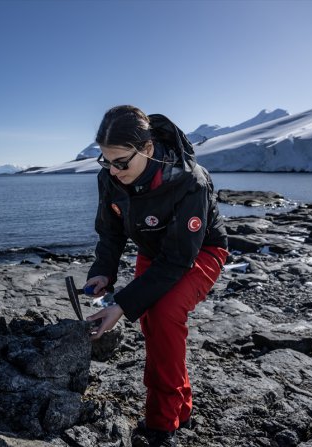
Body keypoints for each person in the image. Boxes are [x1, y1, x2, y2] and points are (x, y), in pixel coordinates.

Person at [84, 105, 229, 447]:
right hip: (154, 253)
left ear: (147, 149)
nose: (114, 171)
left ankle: (161, 424)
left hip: (199, 251)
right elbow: (111, 232)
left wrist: (119, 306)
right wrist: (103, 273)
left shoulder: (190, 181)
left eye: (122, 162)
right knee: (151, 322)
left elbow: (179, 259)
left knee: (164, 316)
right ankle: (182, 406)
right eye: (107, 161)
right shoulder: (110, 177)